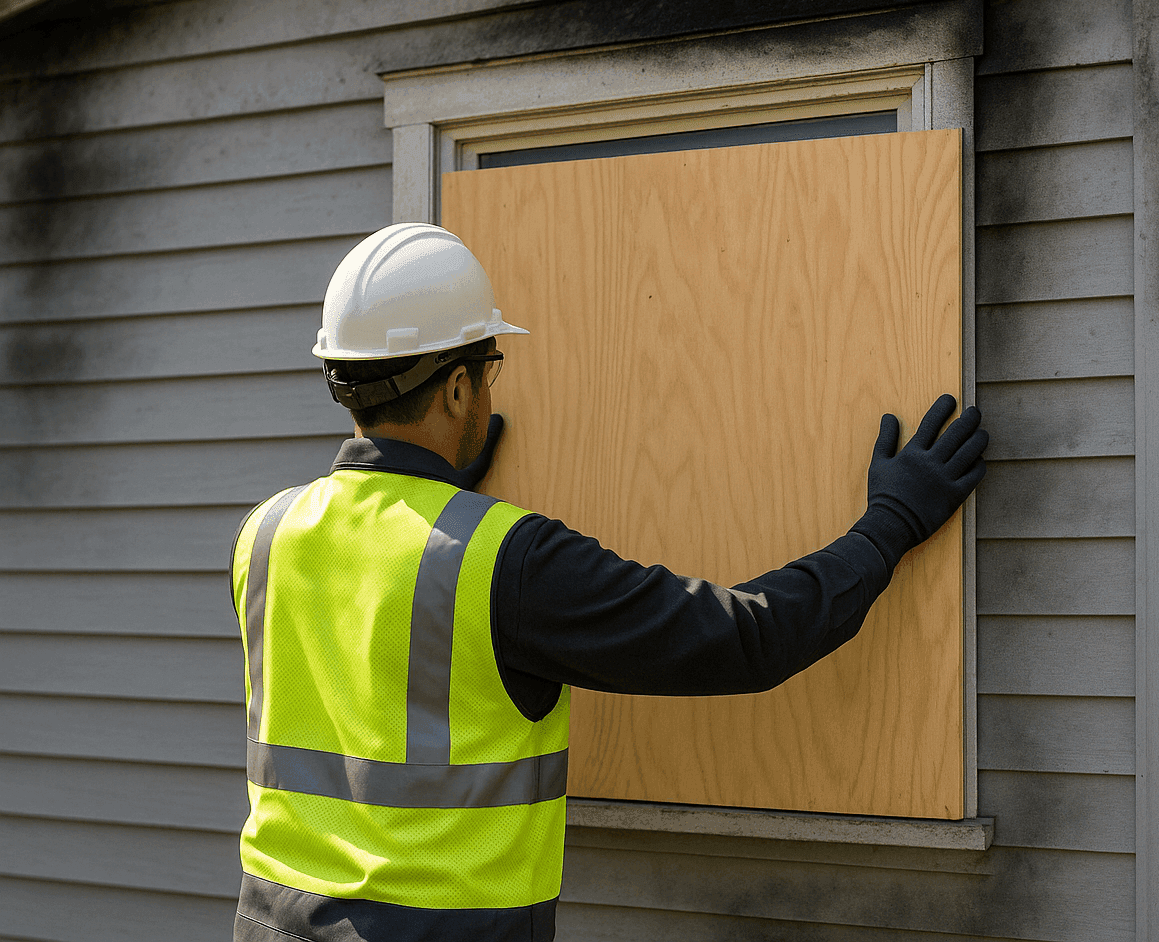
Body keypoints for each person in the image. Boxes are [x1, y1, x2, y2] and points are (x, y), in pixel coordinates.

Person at [229, 223, 988, 942]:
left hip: (270, 922)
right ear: (458, 389)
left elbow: (384, 635)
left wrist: (445, 490)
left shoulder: (265, 535)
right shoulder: (508, 564)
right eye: (488, 371)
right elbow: (743, 638)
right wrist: (892, 522)